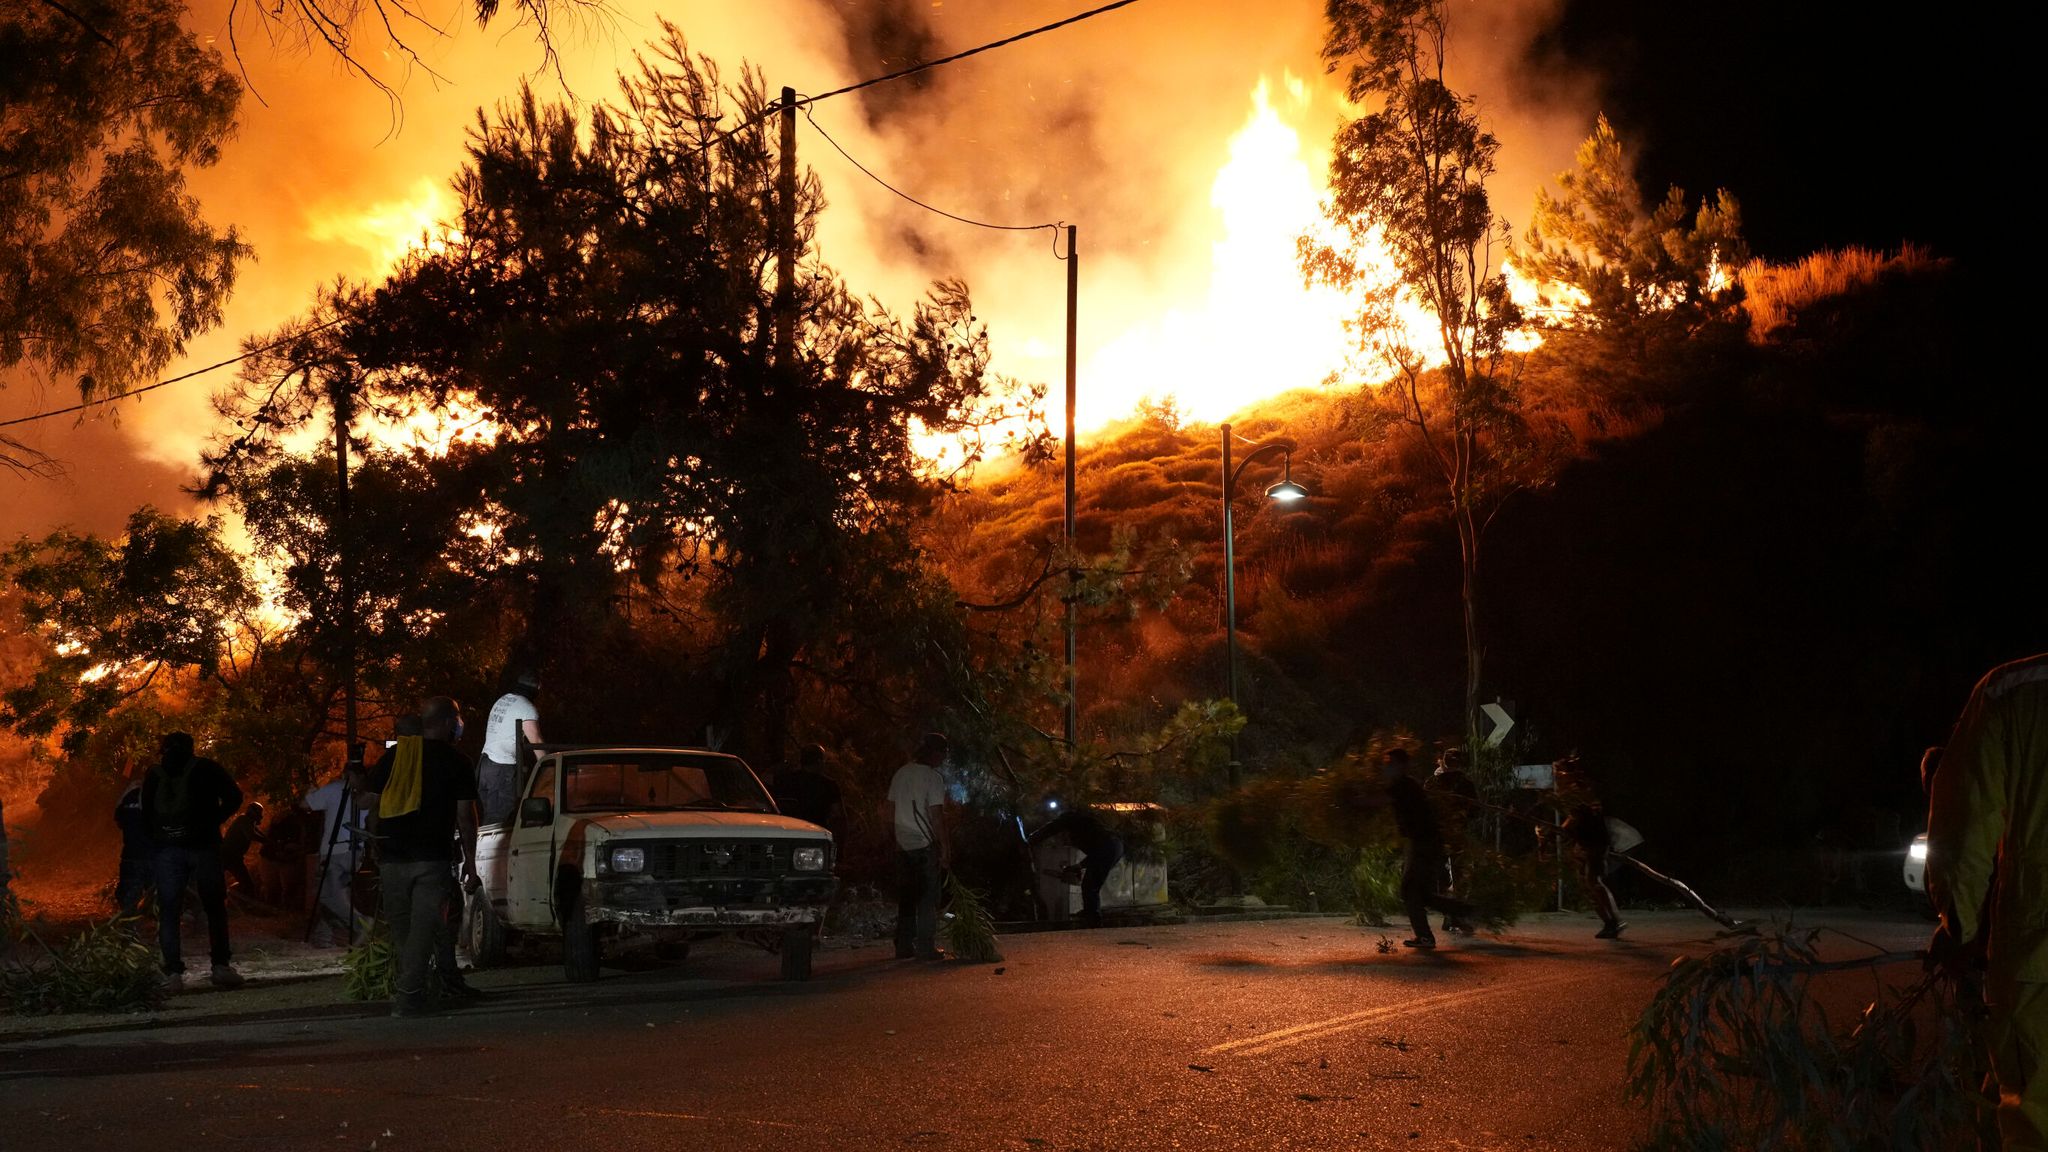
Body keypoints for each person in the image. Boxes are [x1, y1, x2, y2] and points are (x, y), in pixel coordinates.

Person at [1928, 654, 2048, 1145]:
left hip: (2038, 958)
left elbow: (1964, 825)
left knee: (2035, 1117)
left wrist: (1961, 929)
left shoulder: (2014, 690)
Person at [366, 697, 480, 1016]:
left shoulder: (395, 757)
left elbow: (371, 804)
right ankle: (409, 996)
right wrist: (471, 862)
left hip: (392, 857)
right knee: (423, 928)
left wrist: (375, 844)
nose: (459, 725)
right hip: (431, 858)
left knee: (405, 930)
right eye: (457, 719)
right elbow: (466, 817)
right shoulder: (457, 762)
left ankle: (417, 989)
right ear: (446, 722)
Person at [142, 732, 246, 992]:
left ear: (163, 749)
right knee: (214, 907)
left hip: (168, 850)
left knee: (168, 911)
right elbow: (235, 796)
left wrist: (160, 837)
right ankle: (221, 967)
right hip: (205, 846)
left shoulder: (154, 774)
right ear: (192, 748)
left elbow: (145, 813)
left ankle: (173, 974)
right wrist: (214, 820)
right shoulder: (207, 768)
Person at [1379, 748, 1477, 949]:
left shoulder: (1404, 785)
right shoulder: (1422, 783)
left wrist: (1347, 798)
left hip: (1424, 842)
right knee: (1423, 893)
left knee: (1411, 889)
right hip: (1427, 841)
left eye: (1391, 763)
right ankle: (1466, 912)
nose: (1386, 767)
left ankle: (1436, 930)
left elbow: (1375, 801)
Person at [886, 732, 951, 961]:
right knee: (927, 897)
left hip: (903, 844)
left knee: (907, 897)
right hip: (924, 843)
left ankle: (903, 945)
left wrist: (895, 837)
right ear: (935, 753)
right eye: (943, 753)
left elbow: (891, 809)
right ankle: (925, 946)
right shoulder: (933, 778)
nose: (944, 758)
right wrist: (944, 847)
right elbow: (936, 816)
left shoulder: (901, 773)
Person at [1028, 800, 1124, 928]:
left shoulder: (1069, 819)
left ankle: (1092, 918)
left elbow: (1050, 828)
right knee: (1091, 884)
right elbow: (1096, 854)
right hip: (1114, 847)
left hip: (1109, 847)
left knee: (1090, 885)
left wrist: (1031, 839)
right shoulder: (1086, 826)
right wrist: (1079, 866)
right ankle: (1091, 915)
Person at [305, 765, 369, 948]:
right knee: (337, 893)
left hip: (335, 851)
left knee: (327, 895)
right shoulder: (366, 793)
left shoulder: (334, 788)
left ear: (346, 774)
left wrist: (310, 791)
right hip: (356, 851)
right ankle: (322, 937)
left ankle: (361, 924)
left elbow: (305, 804)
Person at [477, 670, 542, 827]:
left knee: (486, 818)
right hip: (501, 769)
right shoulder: (527, 708)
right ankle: (489, 852)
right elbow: (537, 741)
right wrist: (548, 767)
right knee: (499, 821)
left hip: (484, 765)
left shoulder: (503, 700)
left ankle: (477, 850)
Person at [1428, 748, 1481, 931]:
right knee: (1456, 875)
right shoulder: (1463, 783)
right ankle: (1453, 915)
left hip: (1440, 836)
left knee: (1444, 876)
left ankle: (1450, 915)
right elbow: (1475, 811)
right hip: (1451, 836)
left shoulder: (1435, 781)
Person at [1562, 802, 1626, 939]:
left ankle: (1615, 921)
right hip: (1588, 846)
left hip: (1595, 847)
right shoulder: (1577, 804)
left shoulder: (1585, 803)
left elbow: (1576, 820)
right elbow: (1571, 822)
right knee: (1588, 886)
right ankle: (1609, 923)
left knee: (1594, 883)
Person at [771, 744, 844, 830]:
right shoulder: (829, 785)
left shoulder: (785, 780)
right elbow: (837, 814)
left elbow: (765, 778)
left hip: (789, 830)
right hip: (818, 832)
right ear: (819, 761)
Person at [113, 774, 153, 917]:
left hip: (131, 856)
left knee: (128, 898)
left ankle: (130, 930)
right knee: (158, 898)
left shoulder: (127, 796)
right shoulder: (159, 796)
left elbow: (119, 821)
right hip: (153, 857)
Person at [220, 801, 267, 900]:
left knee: (245, 883)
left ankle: (236, 902)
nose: (260, 816)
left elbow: (258, 832)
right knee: (247, 884)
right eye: (259, 813)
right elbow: (250, 835)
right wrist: (266, 841)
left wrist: (267, 840)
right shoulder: (244, 820)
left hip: (229, 856)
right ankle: (247, 904)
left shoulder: (247, 821)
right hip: (230, 856)